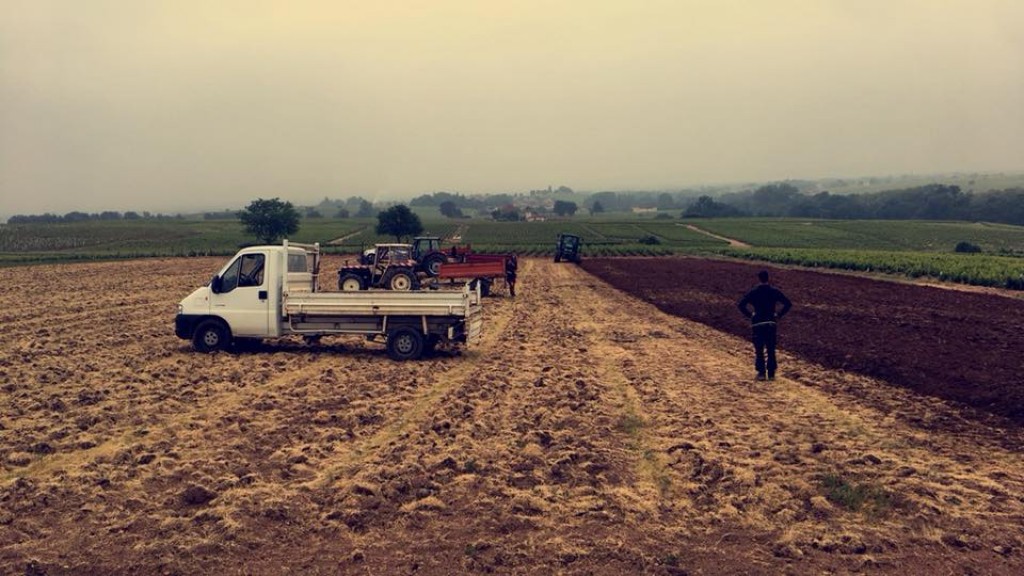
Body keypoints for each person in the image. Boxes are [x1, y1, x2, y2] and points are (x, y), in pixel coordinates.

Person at [737, 270, 792, 381]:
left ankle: (761, 373)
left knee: (759, 348)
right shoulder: (774, 291)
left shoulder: (754, 292)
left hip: (758, 323)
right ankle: (771, 373)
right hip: (771, 323)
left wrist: (750, 315)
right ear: (768, 278)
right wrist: (778, 314)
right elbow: (788, 304)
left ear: (759, 278)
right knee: (771, 348)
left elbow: (741, 305)